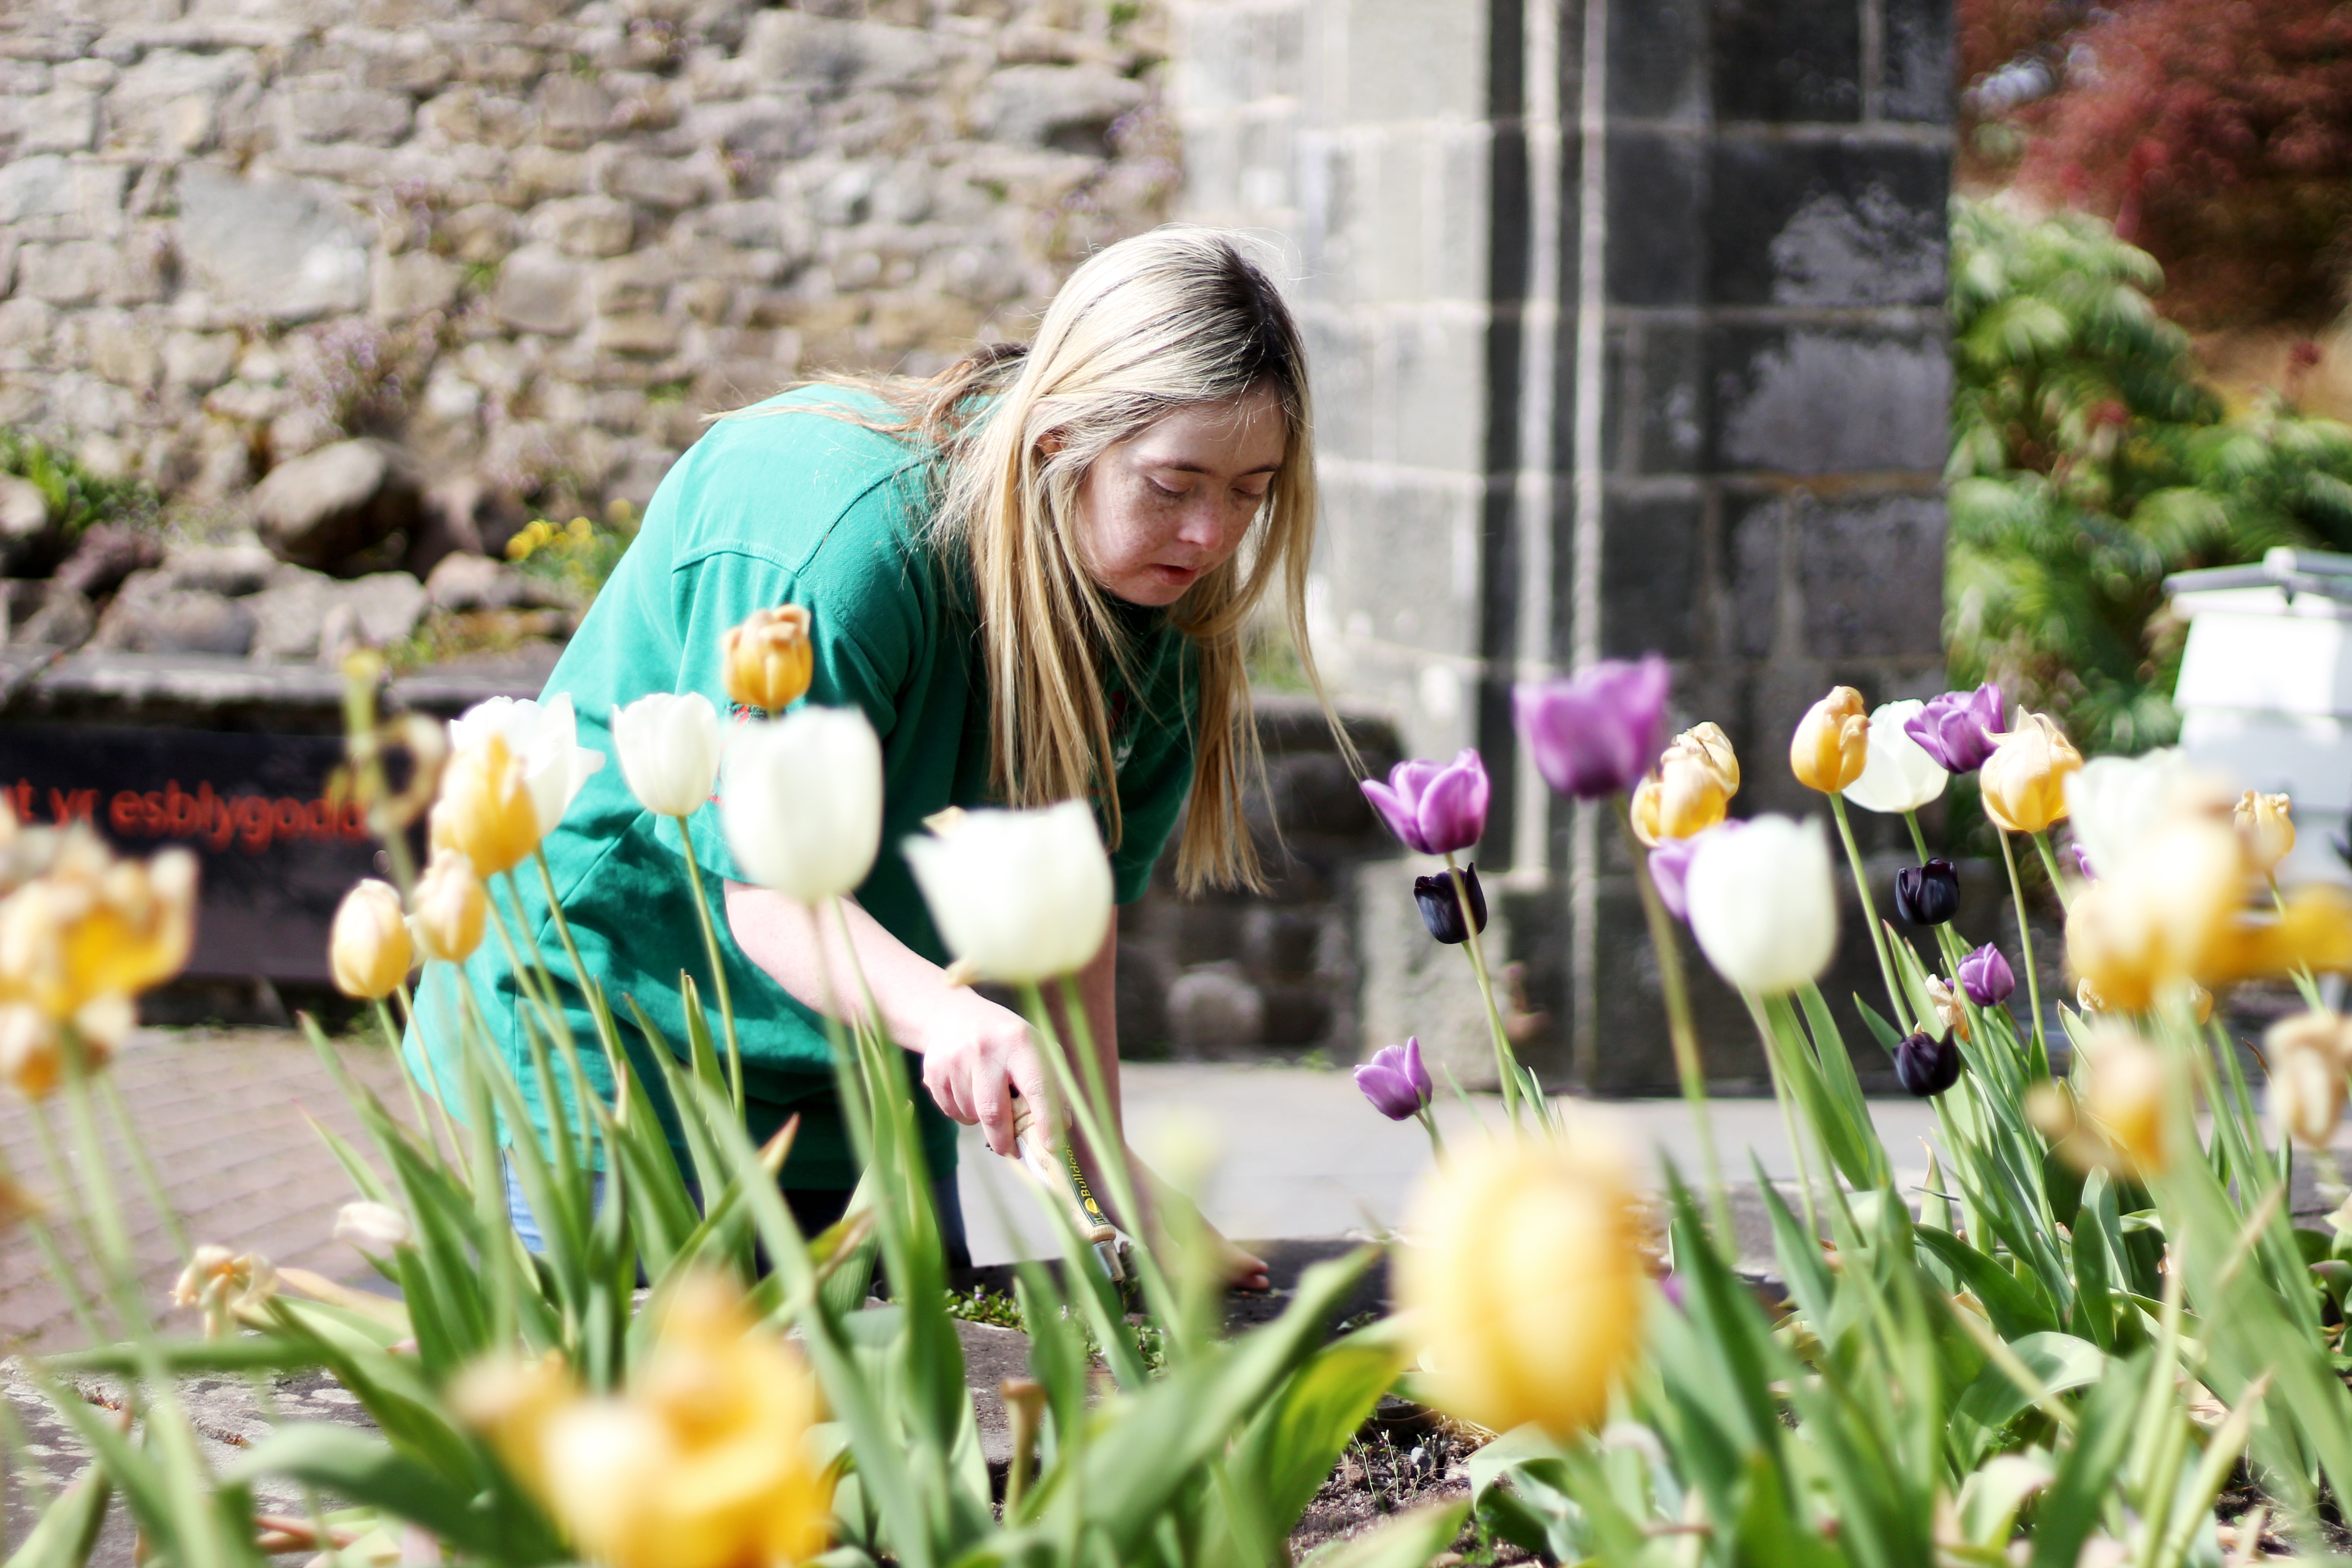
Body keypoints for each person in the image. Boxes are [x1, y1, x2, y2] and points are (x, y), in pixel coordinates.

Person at [411, 227, 1339, 1289]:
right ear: (1058, 440)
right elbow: (766, 896)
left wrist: (1112, 1184)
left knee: (907, 1419)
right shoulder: (840, 545)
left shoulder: (1168, 609)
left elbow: (1065, 916)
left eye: (1252, 491)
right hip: (611, 1032)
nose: (1213, 534)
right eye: (1174, 485)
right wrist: (946, 1015)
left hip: (858, 1063)